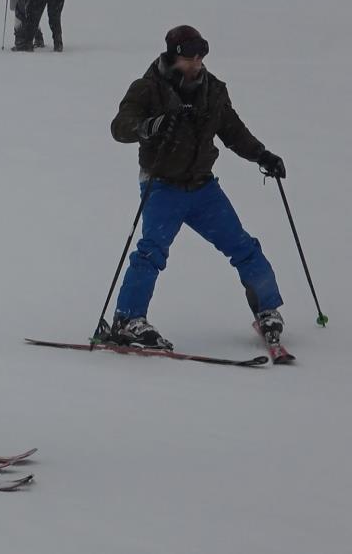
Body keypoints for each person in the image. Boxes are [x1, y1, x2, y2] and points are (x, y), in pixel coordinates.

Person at [107, 25, 288, 350]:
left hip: (203, 187)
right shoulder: (148, 88)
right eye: (190, 56)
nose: (197, 62)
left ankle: (267, 310)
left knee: (242, 245)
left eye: (201, 55)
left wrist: (262, 155)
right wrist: (148, 126)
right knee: (151, 251)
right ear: (174, 56)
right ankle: (128, 320)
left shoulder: (213, 90)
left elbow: (233, 131)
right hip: (161, 185)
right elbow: (120, 127)